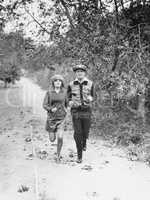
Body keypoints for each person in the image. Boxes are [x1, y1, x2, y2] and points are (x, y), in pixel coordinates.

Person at [67, 64, 95, 163]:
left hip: (86, 110)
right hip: (76, 111)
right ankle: (79, 156)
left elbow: (93, 96)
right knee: (78, 132)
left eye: (81, 71)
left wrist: (90, 98)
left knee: (85, 131)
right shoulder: (71, 84)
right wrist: (69, 102)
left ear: (84, 73)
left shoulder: (90, 83)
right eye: (78, 71)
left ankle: (84, 141)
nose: (79, 73)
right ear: (75, 73)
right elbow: (68, 97)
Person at [43, 74, 67, 163]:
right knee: (52, 139)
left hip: (61, 118)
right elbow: (44, 105)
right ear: (53, 83)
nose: (58, 82)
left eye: (59, 81)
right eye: (56, 81)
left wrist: (69, 108)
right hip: (51, 119)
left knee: (60, 137)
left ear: (61, 83)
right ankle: (52, 133)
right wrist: (50, 109)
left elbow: (67, 104)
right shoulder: (49, 92)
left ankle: (58, 155)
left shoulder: (64, 92)